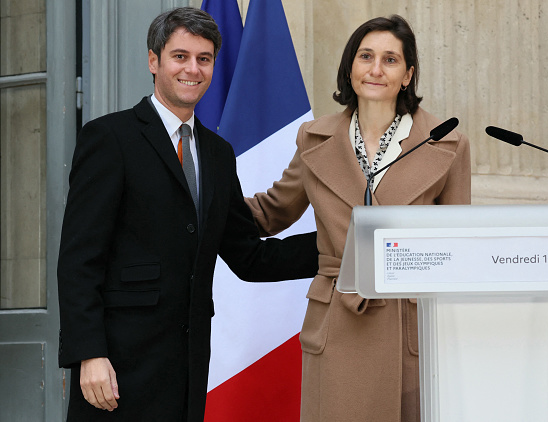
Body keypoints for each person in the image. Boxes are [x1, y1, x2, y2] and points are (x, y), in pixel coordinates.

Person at [57, 7, 318, 421]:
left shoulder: (218, 153)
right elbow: (79, 261)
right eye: (180, 56)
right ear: (153, 60)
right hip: (118, 367)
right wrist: (89, 354)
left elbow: (248, 257)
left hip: (189, 365)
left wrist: (339, 246)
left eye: (204, 58)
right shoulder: (109, 138)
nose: (192, 69)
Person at [245, 15, 471, 422]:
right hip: (336, 320)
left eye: (390, 60)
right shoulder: (314, 138)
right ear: (350, 66)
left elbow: (457, 252)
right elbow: (270, 212)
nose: (376, 69)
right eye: (366, 56)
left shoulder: (447, 143)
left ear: (408, 75)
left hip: (408, 327)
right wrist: (199, 193)